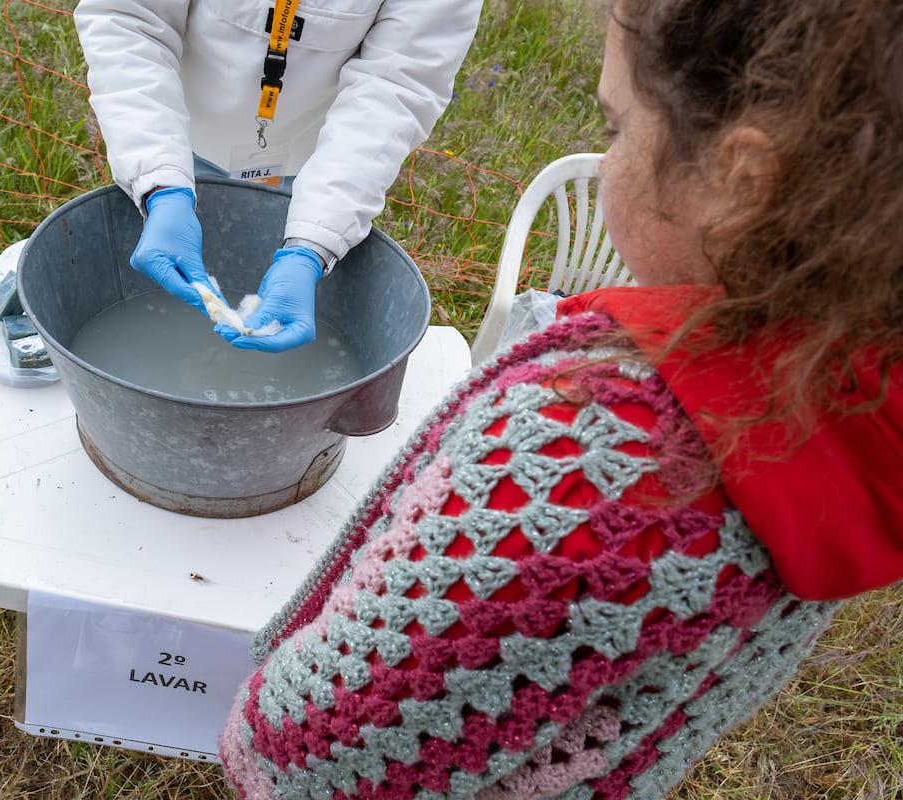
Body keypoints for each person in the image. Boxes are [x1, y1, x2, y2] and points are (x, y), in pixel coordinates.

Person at [218, 0, 903, 796]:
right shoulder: (857, 405)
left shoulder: (579, 463)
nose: (606, 159)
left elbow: (323, 738)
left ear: (740, 183)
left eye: (615, 128)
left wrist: (257, 725)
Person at [73, 0, 482, 352]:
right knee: (167, 297)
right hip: (175, 135)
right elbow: (130, 19)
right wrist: (159, 180)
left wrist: (314, 243)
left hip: (318, 167)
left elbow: (397, 84)